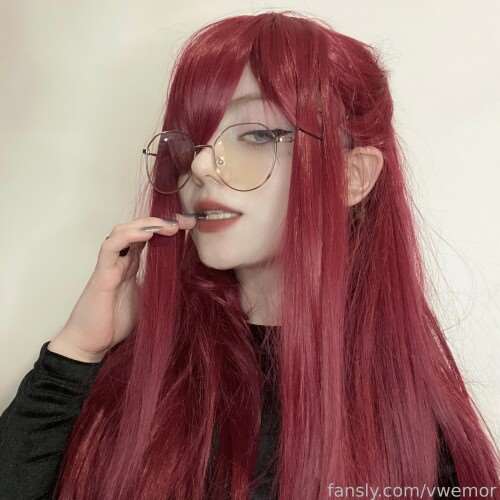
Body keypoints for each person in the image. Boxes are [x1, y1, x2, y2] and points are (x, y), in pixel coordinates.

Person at [1, 10, 499, 500]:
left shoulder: (409, 428)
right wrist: (77, 352)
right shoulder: (144, 369)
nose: (200, 165)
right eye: (193, 140)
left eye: (257, 135)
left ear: (351, 177)